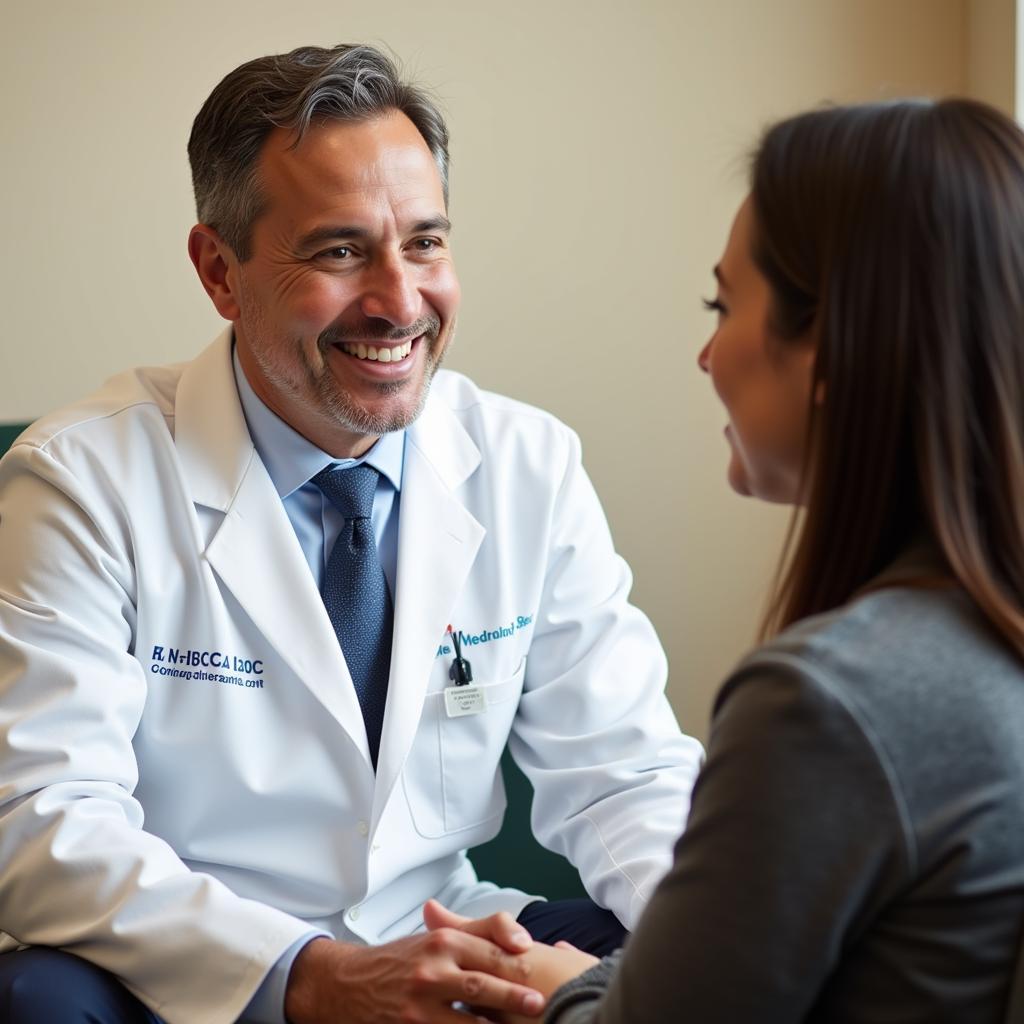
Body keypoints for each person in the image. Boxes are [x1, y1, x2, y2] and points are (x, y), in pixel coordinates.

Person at [0, 43, 702, 1024]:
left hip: (440, 934)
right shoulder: (82, 478)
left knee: (690, 944)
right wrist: (310, 974)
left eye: (423, 242)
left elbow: (622, 775)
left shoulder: (524, 462)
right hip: (185, 973)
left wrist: (717, 949)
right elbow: (41, 822)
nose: (400, 301)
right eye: (339, 251)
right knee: (35, 996)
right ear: (219, 270)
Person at [437, 98, 1024, 1022]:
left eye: (726, 304)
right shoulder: (984, 646)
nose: (708, 354)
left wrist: (572, 995)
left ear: (825, 348)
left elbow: (622, 776)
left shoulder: (828, 704)